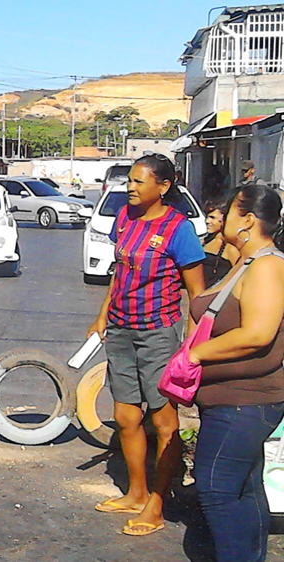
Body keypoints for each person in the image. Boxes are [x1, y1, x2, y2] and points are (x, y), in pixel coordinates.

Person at [87, 153, 206, 536]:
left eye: (139, 182)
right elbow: (118, 271)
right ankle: (136, 491)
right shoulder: (123, 218)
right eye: (129, 182)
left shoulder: (178, 229)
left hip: (159, 332)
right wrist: (103, 313)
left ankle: (157, 500)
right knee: (125, 416)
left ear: (164, 186)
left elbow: (197, 293)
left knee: (163, 420)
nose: (131, 188)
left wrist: (191, 343)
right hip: (121, 329)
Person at [188, 184, 284, 562]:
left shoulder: (267, 265)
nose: (219, 217)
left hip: (245, 400)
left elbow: (257, 333)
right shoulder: (245, 261)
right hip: (229, 399)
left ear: (247, 220)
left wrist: (196, 354)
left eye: (227, 211)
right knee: (242, 488)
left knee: (216, 489)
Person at [202, 196, 240, 288]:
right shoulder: (204, 242)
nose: (207, 221)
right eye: (207, 216)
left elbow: (239, 277)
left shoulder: (231, 249)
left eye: (212, 217)